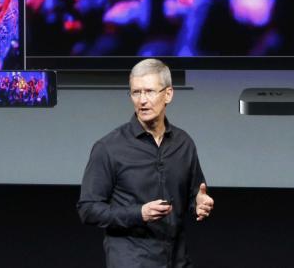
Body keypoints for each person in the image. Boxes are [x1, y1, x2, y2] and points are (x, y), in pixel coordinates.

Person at [78, 58, 212, 267]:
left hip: (177, 260)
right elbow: (88, 209)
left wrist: (200, 204)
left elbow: (194, 195)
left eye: (149, 91)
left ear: (168, 94)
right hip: (132, 260)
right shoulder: (109, 147)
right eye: (136, 92)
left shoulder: (183, 143)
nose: (142, 100)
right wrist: (138, 213)